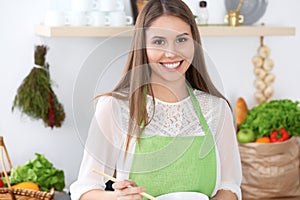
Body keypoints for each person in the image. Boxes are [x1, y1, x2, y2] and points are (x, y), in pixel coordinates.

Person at [70, 0, 242, 199]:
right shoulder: (115, 107)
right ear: (142, 46)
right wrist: (117, 198)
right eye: (159, 42)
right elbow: (84, 190)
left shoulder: (217, 108)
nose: (171, 53)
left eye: (182, 40)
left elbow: (230, 187)